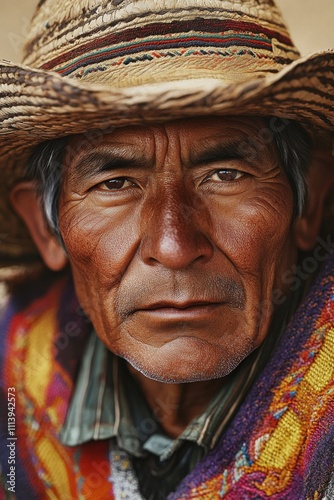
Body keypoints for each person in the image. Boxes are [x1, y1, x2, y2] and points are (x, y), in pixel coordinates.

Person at [0, 0, 333, 498]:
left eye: (226, 175)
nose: (174, 246)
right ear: (46, 229)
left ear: (309, 203)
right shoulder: (13, 386)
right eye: (115, 184)